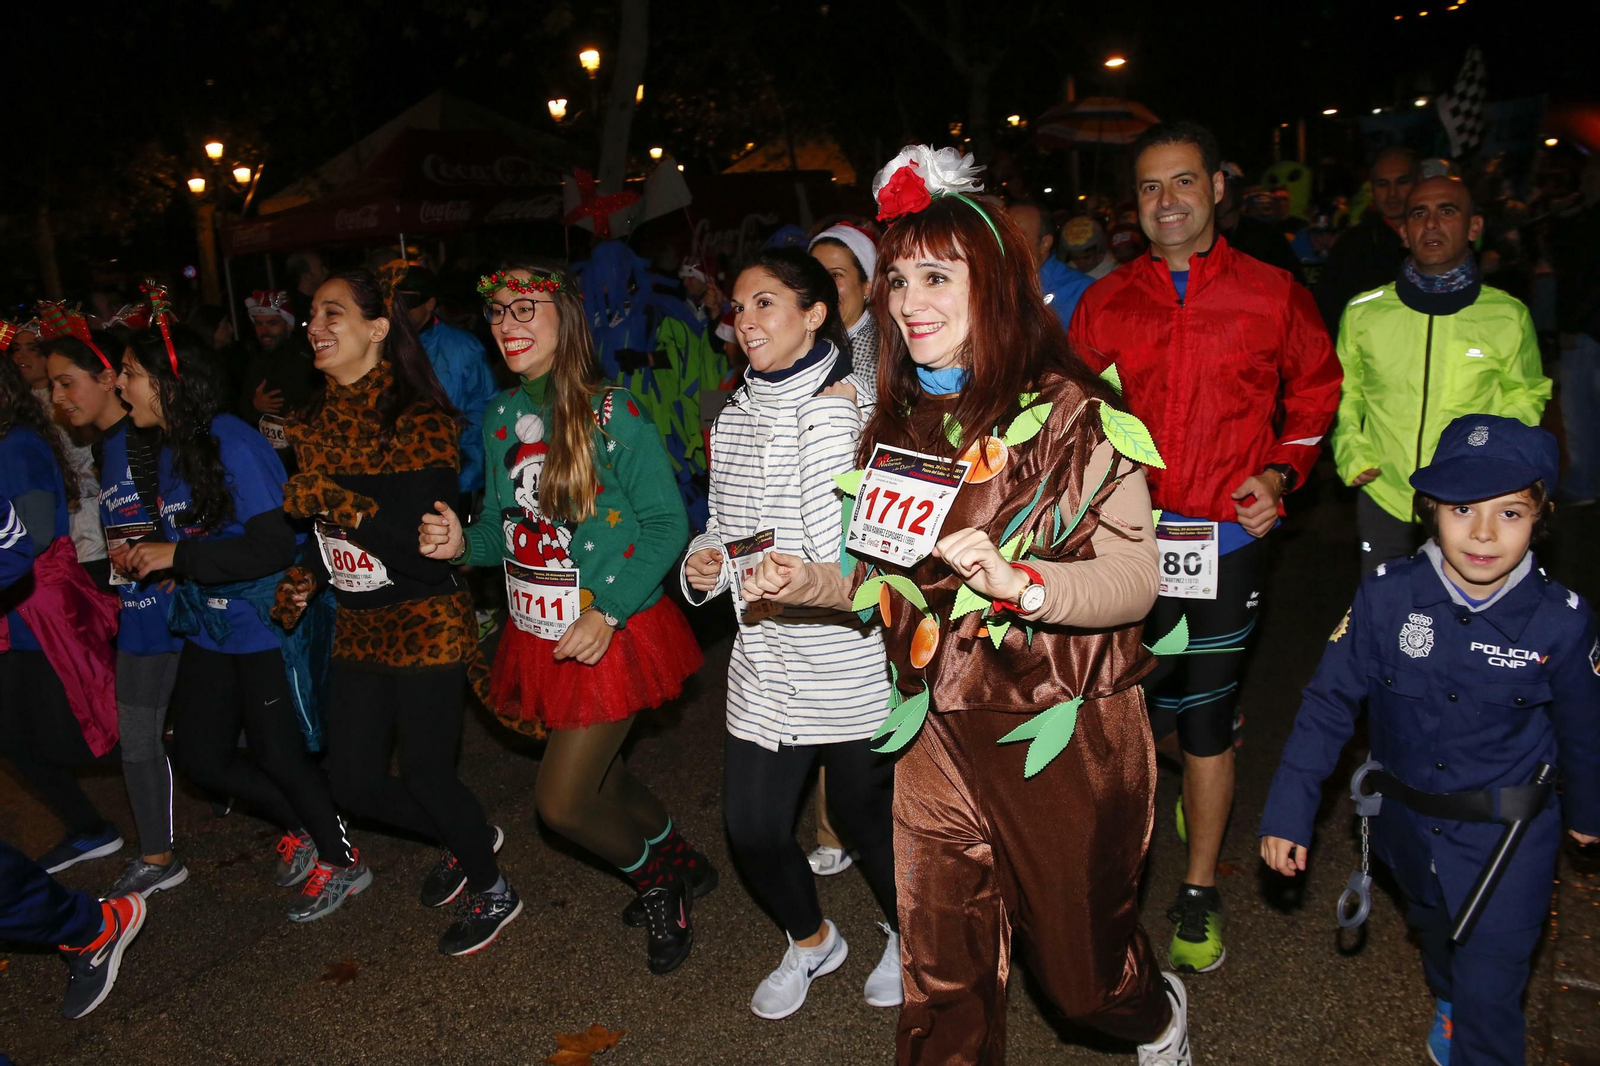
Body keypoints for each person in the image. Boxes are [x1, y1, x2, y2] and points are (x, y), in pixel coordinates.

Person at [746, 144, 1190, 1065]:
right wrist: (812, 584)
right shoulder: (896, 420)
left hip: (1061, 732)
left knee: (1081, 982)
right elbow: (888, 582)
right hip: (933, 733)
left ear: (990, 282)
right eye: (899, 278)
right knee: (940, 975)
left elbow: (1138, 577)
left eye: (937, 277)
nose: (910, 302)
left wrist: (1024, 583)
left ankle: (1159, 1014)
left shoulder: (1075, 413)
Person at [1070, 120, 1342, 977]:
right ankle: (1120, 866)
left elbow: (1317, 392)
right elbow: (1071, 413)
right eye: (1150, 188)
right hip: (1131, 544)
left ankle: (1196, 888)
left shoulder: (1271, 292)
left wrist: (1280, 475)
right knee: (1131, 713)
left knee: (1208, 714)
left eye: (1183, 182)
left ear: (1218, 186)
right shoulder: (1107, 300)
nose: (1167, 203)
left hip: (1225, 541)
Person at [1260, 415, 1600, 1066]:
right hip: (1409, 830)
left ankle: (1473, 1026)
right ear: (1429, 511)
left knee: (1492, 993)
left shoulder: (1562, 624)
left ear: (1540, 519)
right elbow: (1329, 703)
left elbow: (1583, 731)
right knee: (1438, 939)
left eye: (1509, 514)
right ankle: (1449, 997)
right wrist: (1288, 810)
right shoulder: (1388, 600)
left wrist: (1587, 814)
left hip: (1509, 842)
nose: (1481, 533)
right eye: (1463, 508)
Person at [418, 261, 709, 975]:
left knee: (562, 802)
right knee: (600, 779)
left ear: (565, 319)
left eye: (525, 310)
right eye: (497, 314)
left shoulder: (614, 411)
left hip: (613, 625)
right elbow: (500, 528)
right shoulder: (494, 417)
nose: (508, 326)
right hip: (540, 629)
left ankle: (657, 883)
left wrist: (608, 612)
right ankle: (681, 858)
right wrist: (463, 543)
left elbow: (668, 527)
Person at [681, 248, 899, 1019]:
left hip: (846, 661)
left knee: (872, 826)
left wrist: (827, 418)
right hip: (765, 657)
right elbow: (725, 528)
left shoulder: (852, 409)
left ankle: (908, 936)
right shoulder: (735, 415)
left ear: (814, 315)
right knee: (753, 827)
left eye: (766, 303)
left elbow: (847, 553)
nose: (745, 321)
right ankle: (813, 941)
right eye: (738, 307)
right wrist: (703, 563)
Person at [274, 269, 518, 955]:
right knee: (351, 781)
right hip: (358, 623)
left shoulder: (422, 422)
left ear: (379, 328)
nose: (314, 326)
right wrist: (305, 575)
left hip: (424, 621)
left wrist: (333, 498)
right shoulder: (314, 423)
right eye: (311, 314)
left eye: (333, 313)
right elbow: (331, 535)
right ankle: (463, 834)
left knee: (427, 774)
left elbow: (417, 551)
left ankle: (493, 884)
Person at [115, 327, 369, 923]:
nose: (120, 384)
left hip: (262, 621)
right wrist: (165, 553)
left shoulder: (230, 438)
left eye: (130, 372)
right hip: (210, 622)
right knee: (201, 755)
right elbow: (201, 538)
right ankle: (308, 824)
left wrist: (177, 558)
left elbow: (274, 546)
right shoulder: (174, 446)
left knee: (280, 754)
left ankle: (344, 859)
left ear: (170, 385)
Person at [1332, 176, 1550, 572]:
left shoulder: (1506, 315)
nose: (1431, 224)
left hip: (1469, 496)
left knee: (1463, 613)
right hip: (1383, 489)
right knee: (1383, 608)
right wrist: (1351, 449)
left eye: (1447, 211)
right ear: (1403, 231)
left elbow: (1527, 394)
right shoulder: (1365, 312)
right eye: (1419, 213)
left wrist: (1488, 459)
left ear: (1474, 227)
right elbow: (1346, 391)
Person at [45, 331, 189, 899]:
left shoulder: (147, 440)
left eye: (67, 381)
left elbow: (185, 518)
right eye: (52, 385)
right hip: (139, 617)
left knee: (218, 743)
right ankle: (157, 855)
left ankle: (310, 825)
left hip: (183, 617)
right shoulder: (109, 446)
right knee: (137, 738)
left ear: (109, 379)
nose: (58, 397)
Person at [0, 354, 123, 875]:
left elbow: (34, 536)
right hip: (16, 612)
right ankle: (90, 828)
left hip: (40, 611)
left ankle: (210, 765)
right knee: (15, 734)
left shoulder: (18, 446)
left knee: (78, 732)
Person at [9, 312, 107, 584]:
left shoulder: (74, 403)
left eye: (32, 350)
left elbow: (95, 463)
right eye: (16, 350)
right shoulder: (18, 407)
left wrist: (67, 489)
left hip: (89, 530)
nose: (21, 358)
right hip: (55, 535)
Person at [394, 265, 499, 508]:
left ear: (430, 304)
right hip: (401, 472)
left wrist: (449, 441)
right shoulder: (383, 344)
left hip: (458, 473)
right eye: (395, 305)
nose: (399, 313)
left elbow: (487, 407)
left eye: (408, 306)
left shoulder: (463, 347)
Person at [1317, 146, 1421, 339]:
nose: (1392, 193)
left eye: (1402, 182)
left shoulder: (1439, 237)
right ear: (1371, 189)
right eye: (1383, 184)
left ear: (1418, 183)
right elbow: (1330, 317)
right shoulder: (1351, 247)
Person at [236, 289, 320, 469]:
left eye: (272, 323)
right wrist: (254, 405)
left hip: (304, 462)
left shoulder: (309, 360)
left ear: (288, 325)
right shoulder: (253, 361)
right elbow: (240, 410)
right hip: (268, 461)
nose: (264, 331)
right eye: (258, 324)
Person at [808, 222, 882, 399]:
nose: (824, 286)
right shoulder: (801, 343)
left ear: (867, 286)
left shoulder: (880, 356)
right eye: (816, 275)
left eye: (836, 275)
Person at [1008, 201, 1093, 329]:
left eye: (1018, 238)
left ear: (1044, 244)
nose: (1006, 244)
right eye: (1001, 236)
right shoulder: (990, 288)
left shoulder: (1081, 293)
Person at [286, 249, 330, 330]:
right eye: (321, 268)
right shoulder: (293, 309)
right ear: (308, 275)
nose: (326, 272)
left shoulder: (325, 299)